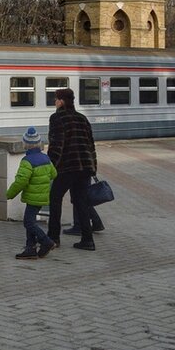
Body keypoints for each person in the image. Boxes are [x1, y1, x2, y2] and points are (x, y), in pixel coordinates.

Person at [47, 87, 99, 251]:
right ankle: (88, 240)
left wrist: (50, 166)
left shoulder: (57, 118)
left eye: (55, 99)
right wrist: (93, 168)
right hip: (85, 167)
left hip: (67, 167)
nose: (54, 102)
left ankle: (53, 238)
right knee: (81, 202)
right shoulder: (82, 118)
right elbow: (91, 145)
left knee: (55, 199)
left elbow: (57, 145)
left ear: (61, 101)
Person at [6, 127, 57, 259]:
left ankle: (46, 241)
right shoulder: (46, 158)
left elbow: (21, 182)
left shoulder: (27, 161)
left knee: (28, 222)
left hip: (33, 197)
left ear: (25, 145)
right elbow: (54, 174)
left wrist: (9, 194)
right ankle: (31, 248)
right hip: (43, 195)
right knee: (31, 221)